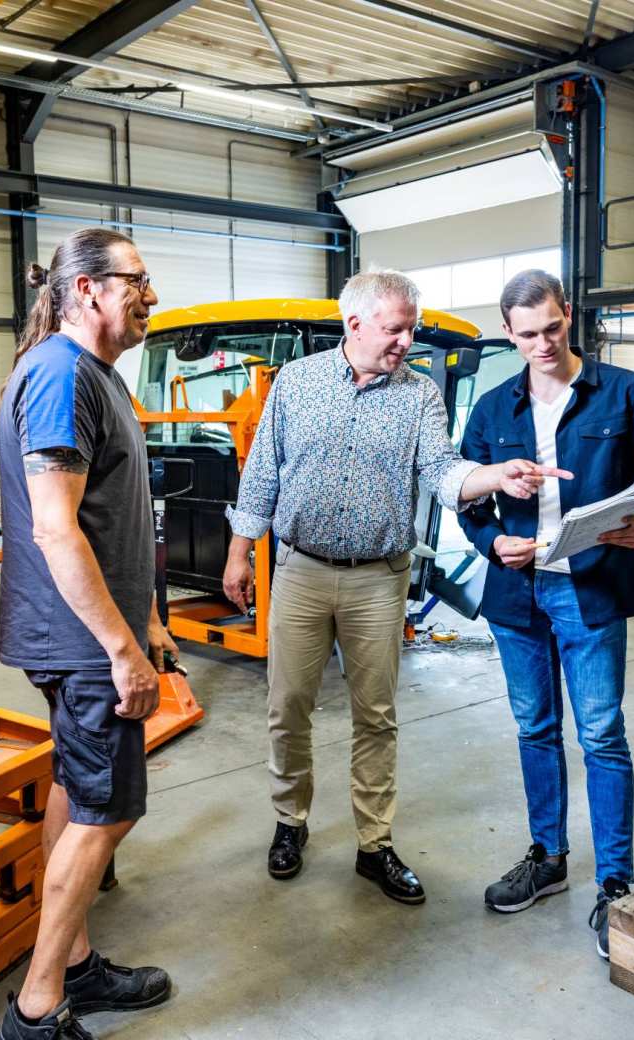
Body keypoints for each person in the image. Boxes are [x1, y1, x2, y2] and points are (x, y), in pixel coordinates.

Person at [223, 269, 569, 905]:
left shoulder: (419, 396)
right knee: (287, 706)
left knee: (376, 716)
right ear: (354, 326)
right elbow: (262, 474)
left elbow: (440, 473)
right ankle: (290, 820)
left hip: (380, 579)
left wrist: (493, 475)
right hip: (299, 571)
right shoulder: (296, 385)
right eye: (395, 328)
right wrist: (240, 553)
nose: (407, 340)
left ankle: (374, 843)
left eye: (410, 327)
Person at [458, 269, 634, 959]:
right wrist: (493, 540)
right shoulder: (494, 409)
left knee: (603, 734)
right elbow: (463, 495)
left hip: (593, 587)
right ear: (508, 332)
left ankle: (616, 883)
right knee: (534, 728)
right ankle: (547, 858)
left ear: (568, 315)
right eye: (527, 334)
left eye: (553, 328)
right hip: (519, 594)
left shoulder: (623, 390)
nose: (544, 343)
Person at [0, 228, 175, 1040]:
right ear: (87, 290)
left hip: (89, 633)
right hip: (82, 644)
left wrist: (149, 619)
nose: (151, 295)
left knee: (78, 789)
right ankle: (37, 1008)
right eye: (137, 280)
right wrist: (121, 649)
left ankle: (74, 964)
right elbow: (57, 531)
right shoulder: (63, 374)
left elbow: (110, 520)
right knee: (106, 811)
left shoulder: (91, 375)